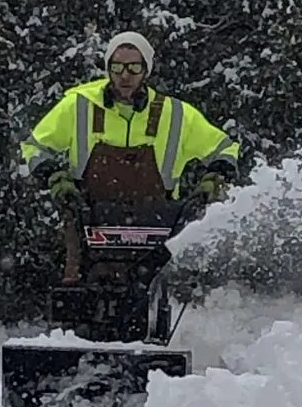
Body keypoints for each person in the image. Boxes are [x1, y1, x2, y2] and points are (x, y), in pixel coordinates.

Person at [20, 31, 240, 282]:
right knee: (77, 301)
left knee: (157, 300)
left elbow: (225, 148)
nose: (125, 75)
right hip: (89, 224)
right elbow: (33, 146)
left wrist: (214, 178)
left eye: (134, 67)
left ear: (146, 70)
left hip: (158, 230)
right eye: (117, 66)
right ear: (108, 68)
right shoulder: (78, 107)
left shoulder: (176, 114)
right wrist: (55, 178)